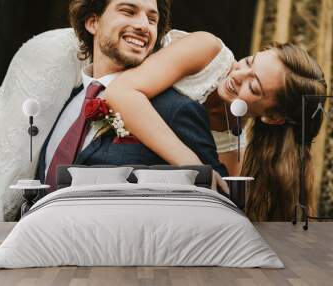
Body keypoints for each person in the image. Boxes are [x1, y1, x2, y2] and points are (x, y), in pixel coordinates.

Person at [100, 32, 327, 221]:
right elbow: (120, 92)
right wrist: (191, 163)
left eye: (254, 86)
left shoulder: (233, 151)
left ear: (272, 117)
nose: (238, 75)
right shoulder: (207, 51)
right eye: (249, 62)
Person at [35, 0, 228, 196]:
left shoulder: (176, 109)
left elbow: (219, 194)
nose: (144, 26)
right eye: (128, 12)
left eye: (152, 19)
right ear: (93, 22)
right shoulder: (65, 99)